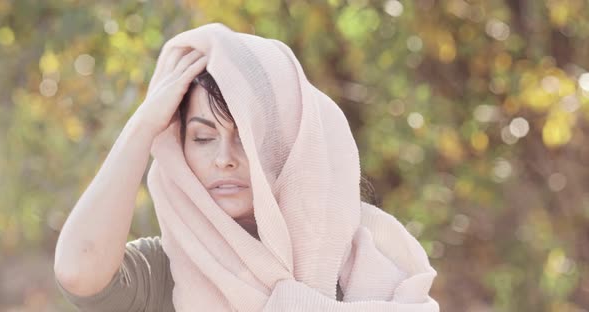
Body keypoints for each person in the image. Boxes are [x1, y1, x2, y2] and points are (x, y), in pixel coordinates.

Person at [54, 23, 438, 311]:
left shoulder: (370, 258)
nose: (225, 157)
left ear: (286, 145)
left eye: (247, 138)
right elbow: (77, 270)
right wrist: (142, 127)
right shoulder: (170, 266)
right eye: (202, 138)